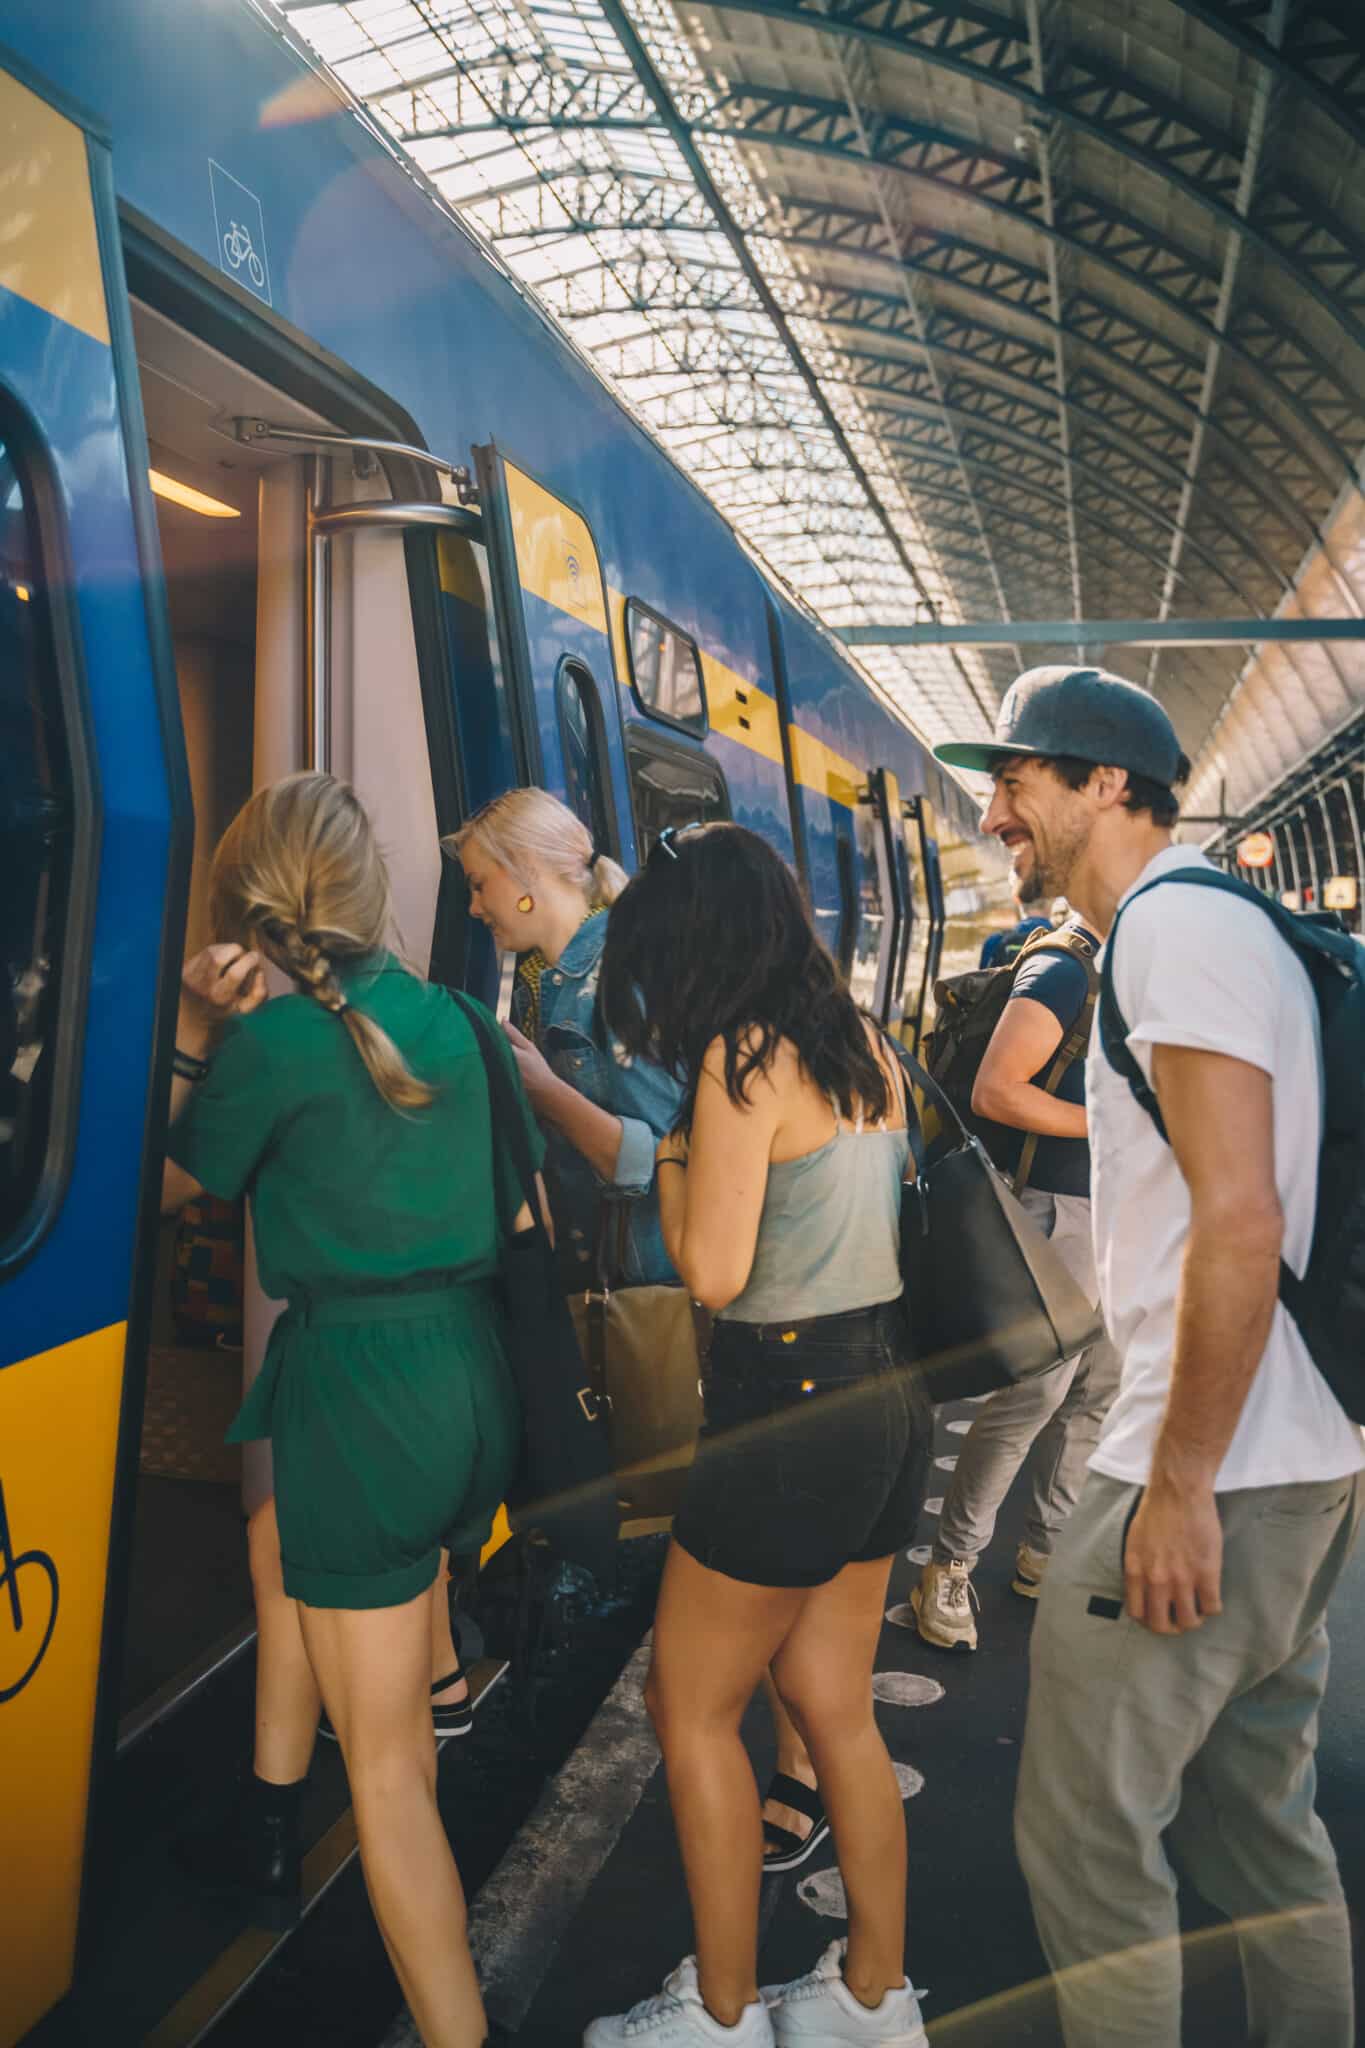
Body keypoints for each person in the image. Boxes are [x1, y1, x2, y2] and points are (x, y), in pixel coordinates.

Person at [935, 666, 1365, 2048]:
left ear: (1107, 782)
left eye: (1018, 779)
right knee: (1257, 1828)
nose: (996, 810)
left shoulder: (1172, 933)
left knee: (1087, 1841)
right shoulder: (1219, 927)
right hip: (1296, 1455)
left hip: (1210, 1466)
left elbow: (1240, 1218)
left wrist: (1175, 1485)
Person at [164, 771, 542, 2048]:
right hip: (470, 1386)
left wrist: (201, 1030)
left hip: (358, 1404)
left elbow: (172, 1186)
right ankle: (279, 1827)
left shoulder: (270, 1044)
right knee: (363, 1670)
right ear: (375, 895)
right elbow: (519, 1205)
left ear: (250, 916)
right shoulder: (455, 1020)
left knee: (381, 1770)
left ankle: (456, 2033)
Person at [586, 823, 934, 2048]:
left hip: (784, 1410)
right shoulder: (863, 1045)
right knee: (836, 1701)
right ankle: (873, 1999)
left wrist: (677, 1150)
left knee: (689, 1705)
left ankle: (721, 2017)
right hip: (888, 1390)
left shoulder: (741, 1060)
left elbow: (714, 1273)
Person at [449, 789, 824, 1870]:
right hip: (628, 1292)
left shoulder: (616, 980)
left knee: (690, 1547)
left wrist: (533, 1084)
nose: (474, 906)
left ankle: (786, 1768)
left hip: (662, 1296)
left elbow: (670, 1148)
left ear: (528, 877)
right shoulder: (566, 969)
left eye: (480, 883)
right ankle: (792, 1759)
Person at [912, 901, 1121, 1650]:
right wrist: (1116, 1122)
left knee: (1098, 1389)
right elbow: (995, 1091)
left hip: (1118, 1209)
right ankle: (950, 1564)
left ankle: (1046, 1549)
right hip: (1060, 1210)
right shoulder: (1062, 969)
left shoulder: (1131, 966)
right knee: (1034, 1392)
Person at [979, 880, 1049, 968]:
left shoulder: (994, 942)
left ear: (1018, 900)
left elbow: (982, 979)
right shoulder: (1064, 937)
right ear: (1049, 901)